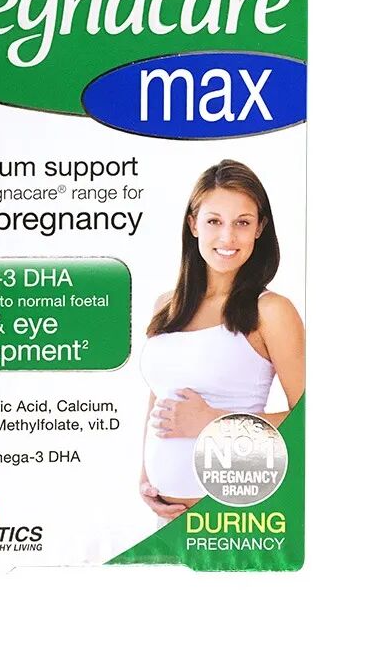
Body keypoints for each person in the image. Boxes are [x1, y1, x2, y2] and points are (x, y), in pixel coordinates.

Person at [139, 159, 305, 522]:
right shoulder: (167, 305)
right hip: (164, 516)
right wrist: (146, 476)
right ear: (193, 224)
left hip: (230, 516)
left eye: (242, 222)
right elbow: (160, 396)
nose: (227, 237)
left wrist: (215, 421)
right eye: (214, 221)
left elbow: (309, 419)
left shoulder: (271, 311)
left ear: (260, 228)